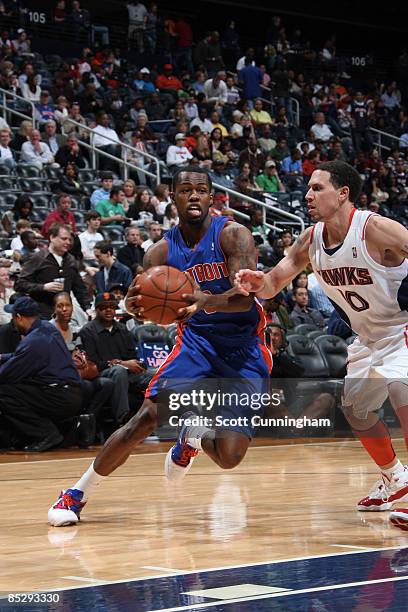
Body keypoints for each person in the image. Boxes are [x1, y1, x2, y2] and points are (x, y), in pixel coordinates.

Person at [47, 166, 272, 527]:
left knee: (230, 457)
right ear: (173, 197)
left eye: (201, 189)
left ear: (212, 197)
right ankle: (77, 493)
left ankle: (192, 437)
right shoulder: (159, 252)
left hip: (244, 349)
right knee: (147, 416)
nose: (194, 195)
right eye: (186, 189)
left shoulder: (234, 235)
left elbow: (247, 300)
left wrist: (206, 300)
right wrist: (135, 307)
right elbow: (145, 304)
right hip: (196, 344)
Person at [234, 160, 408, 530]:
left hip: (403, 328)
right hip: (369, 338)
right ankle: (395, 478)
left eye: (317, 188)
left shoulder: (375, 229)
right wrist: (256, 282)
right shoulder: (310, 239)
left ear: (342, 193)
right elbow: (274, 282)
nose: (308, 194)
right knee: (357, 411)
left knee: (401, 391)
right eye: (308, 188)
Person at [0, 296, 82, 453]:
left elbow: (6, 374)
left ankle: (46, 434)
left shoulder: (33, 342)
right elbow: (22, 356)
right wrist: (3, 357)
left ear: (18, 317)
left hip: (59, 396)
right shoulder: (47, 328)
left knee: (3, 392)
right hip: (72, 393)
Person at [15, 223, 90, 320]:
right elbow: (20, 284)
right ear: (52, 238)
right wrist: (43, 287)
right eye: (64, 239)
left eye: (70, 239)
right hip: (41, 315)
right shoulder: (38, 257)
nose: (68, 242)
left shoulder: (71, 260)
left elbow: (79, 288)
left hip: (64, 314)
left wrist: (87, 308)